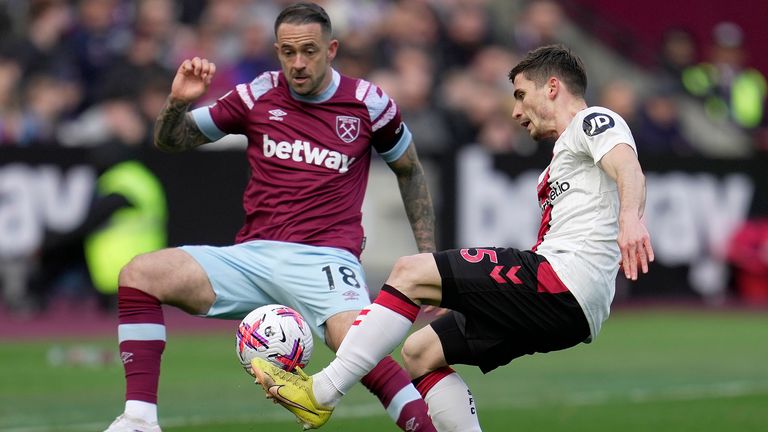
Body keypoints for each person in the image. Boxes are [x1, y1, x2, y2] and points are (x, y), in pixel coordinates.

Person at [250, 44, 655, 431]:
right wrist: (471, 294)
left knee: (410, 271)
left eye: (520, 94)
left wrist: (631, 219)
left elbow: (628, 166)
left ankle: (321, 392)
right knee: (420, 353)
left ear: (552, 87)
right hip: (568, 306)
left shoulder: (593, 120)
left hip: (562, 280)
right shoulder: (560, 159)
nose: (514, 111)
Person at [104, 3, 437, 432]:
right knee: (139, 274)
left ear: (331, 49)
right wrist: (176, 102)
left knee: (356, 345)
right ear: (277, 51)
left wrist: (427, 257)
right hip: (253, 257)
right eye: (288, 52)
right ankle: (139, 420)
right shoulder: (256, 94)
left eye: (309, 51)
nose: (298, 63)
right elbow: (170, 141)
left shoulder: (369, 104)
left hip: (325, 258)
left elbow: (409, 170)